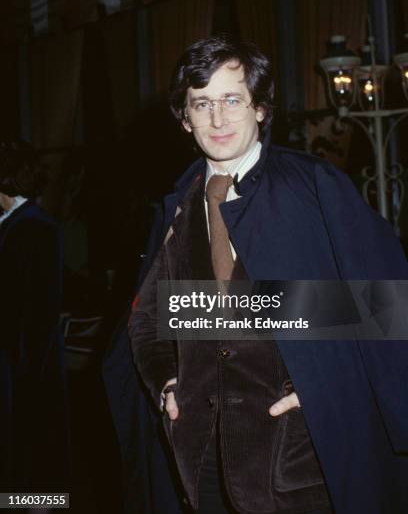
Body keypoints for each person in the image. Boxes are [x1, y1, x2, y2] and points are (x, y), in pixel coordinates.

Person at [105, 36, 408, 514]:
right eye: (201, 104)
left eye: (232, 99)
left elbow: (388, 306)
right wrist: (165, 383)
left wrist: (316, 388)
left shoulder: (313, 186)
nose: (218, 119)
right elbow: (149, 318)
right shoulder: (176, 206)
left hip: (302, 461)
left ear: (261, 109)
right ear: (185, 119)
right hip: (201, 460)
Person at [0, 140, 69, 497]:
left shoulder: (38, 229)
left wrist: (24, 376)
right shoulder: (11, 225)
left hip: (26, 368)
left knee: (32, 455)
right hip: (14, 365)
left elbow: (39, 315)